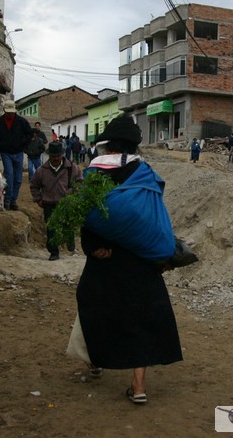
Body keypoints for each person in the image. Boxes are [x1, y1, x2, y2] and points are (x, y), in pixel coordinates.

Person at [75, 114, 182, 405]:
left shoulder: (96, 173)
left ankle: (95, 360)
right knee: (142, 317)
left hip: (106, 259)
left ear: (109, 146)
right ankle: (138, 387)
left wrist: (93, 246)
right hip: (140, 261)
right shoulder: (144, 173)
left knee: (93, 304)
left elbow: (87, 215)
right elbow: (153, 216)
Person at [30, 142, 82, 260]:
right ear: (49, 156)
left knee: (68, 225)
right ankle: (54, 252)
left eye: (57, 156)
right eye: (53, 156)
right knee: (51, 228)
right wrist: (38, 199)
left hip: (66, 202)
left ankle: (70, 245)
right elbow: (34, 185)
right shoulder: (41, 170)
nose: (55, 159)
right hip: (48, 203)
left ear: (62, 155)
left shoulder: (72, 168)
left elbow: (79, 182)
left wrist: (73, 193)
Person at [0, 100, 32, 211]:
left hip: (18, 152)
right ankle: (7, 199)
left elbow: (29, 134)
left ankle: (14, 200)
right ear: (4, 111)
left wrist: (23, 143)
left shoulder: (22, 122)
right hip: (5, 153)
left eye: (11, 112)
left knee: (18, 178)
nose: (10, 114)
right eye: (8, 112)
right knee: (9, 175)